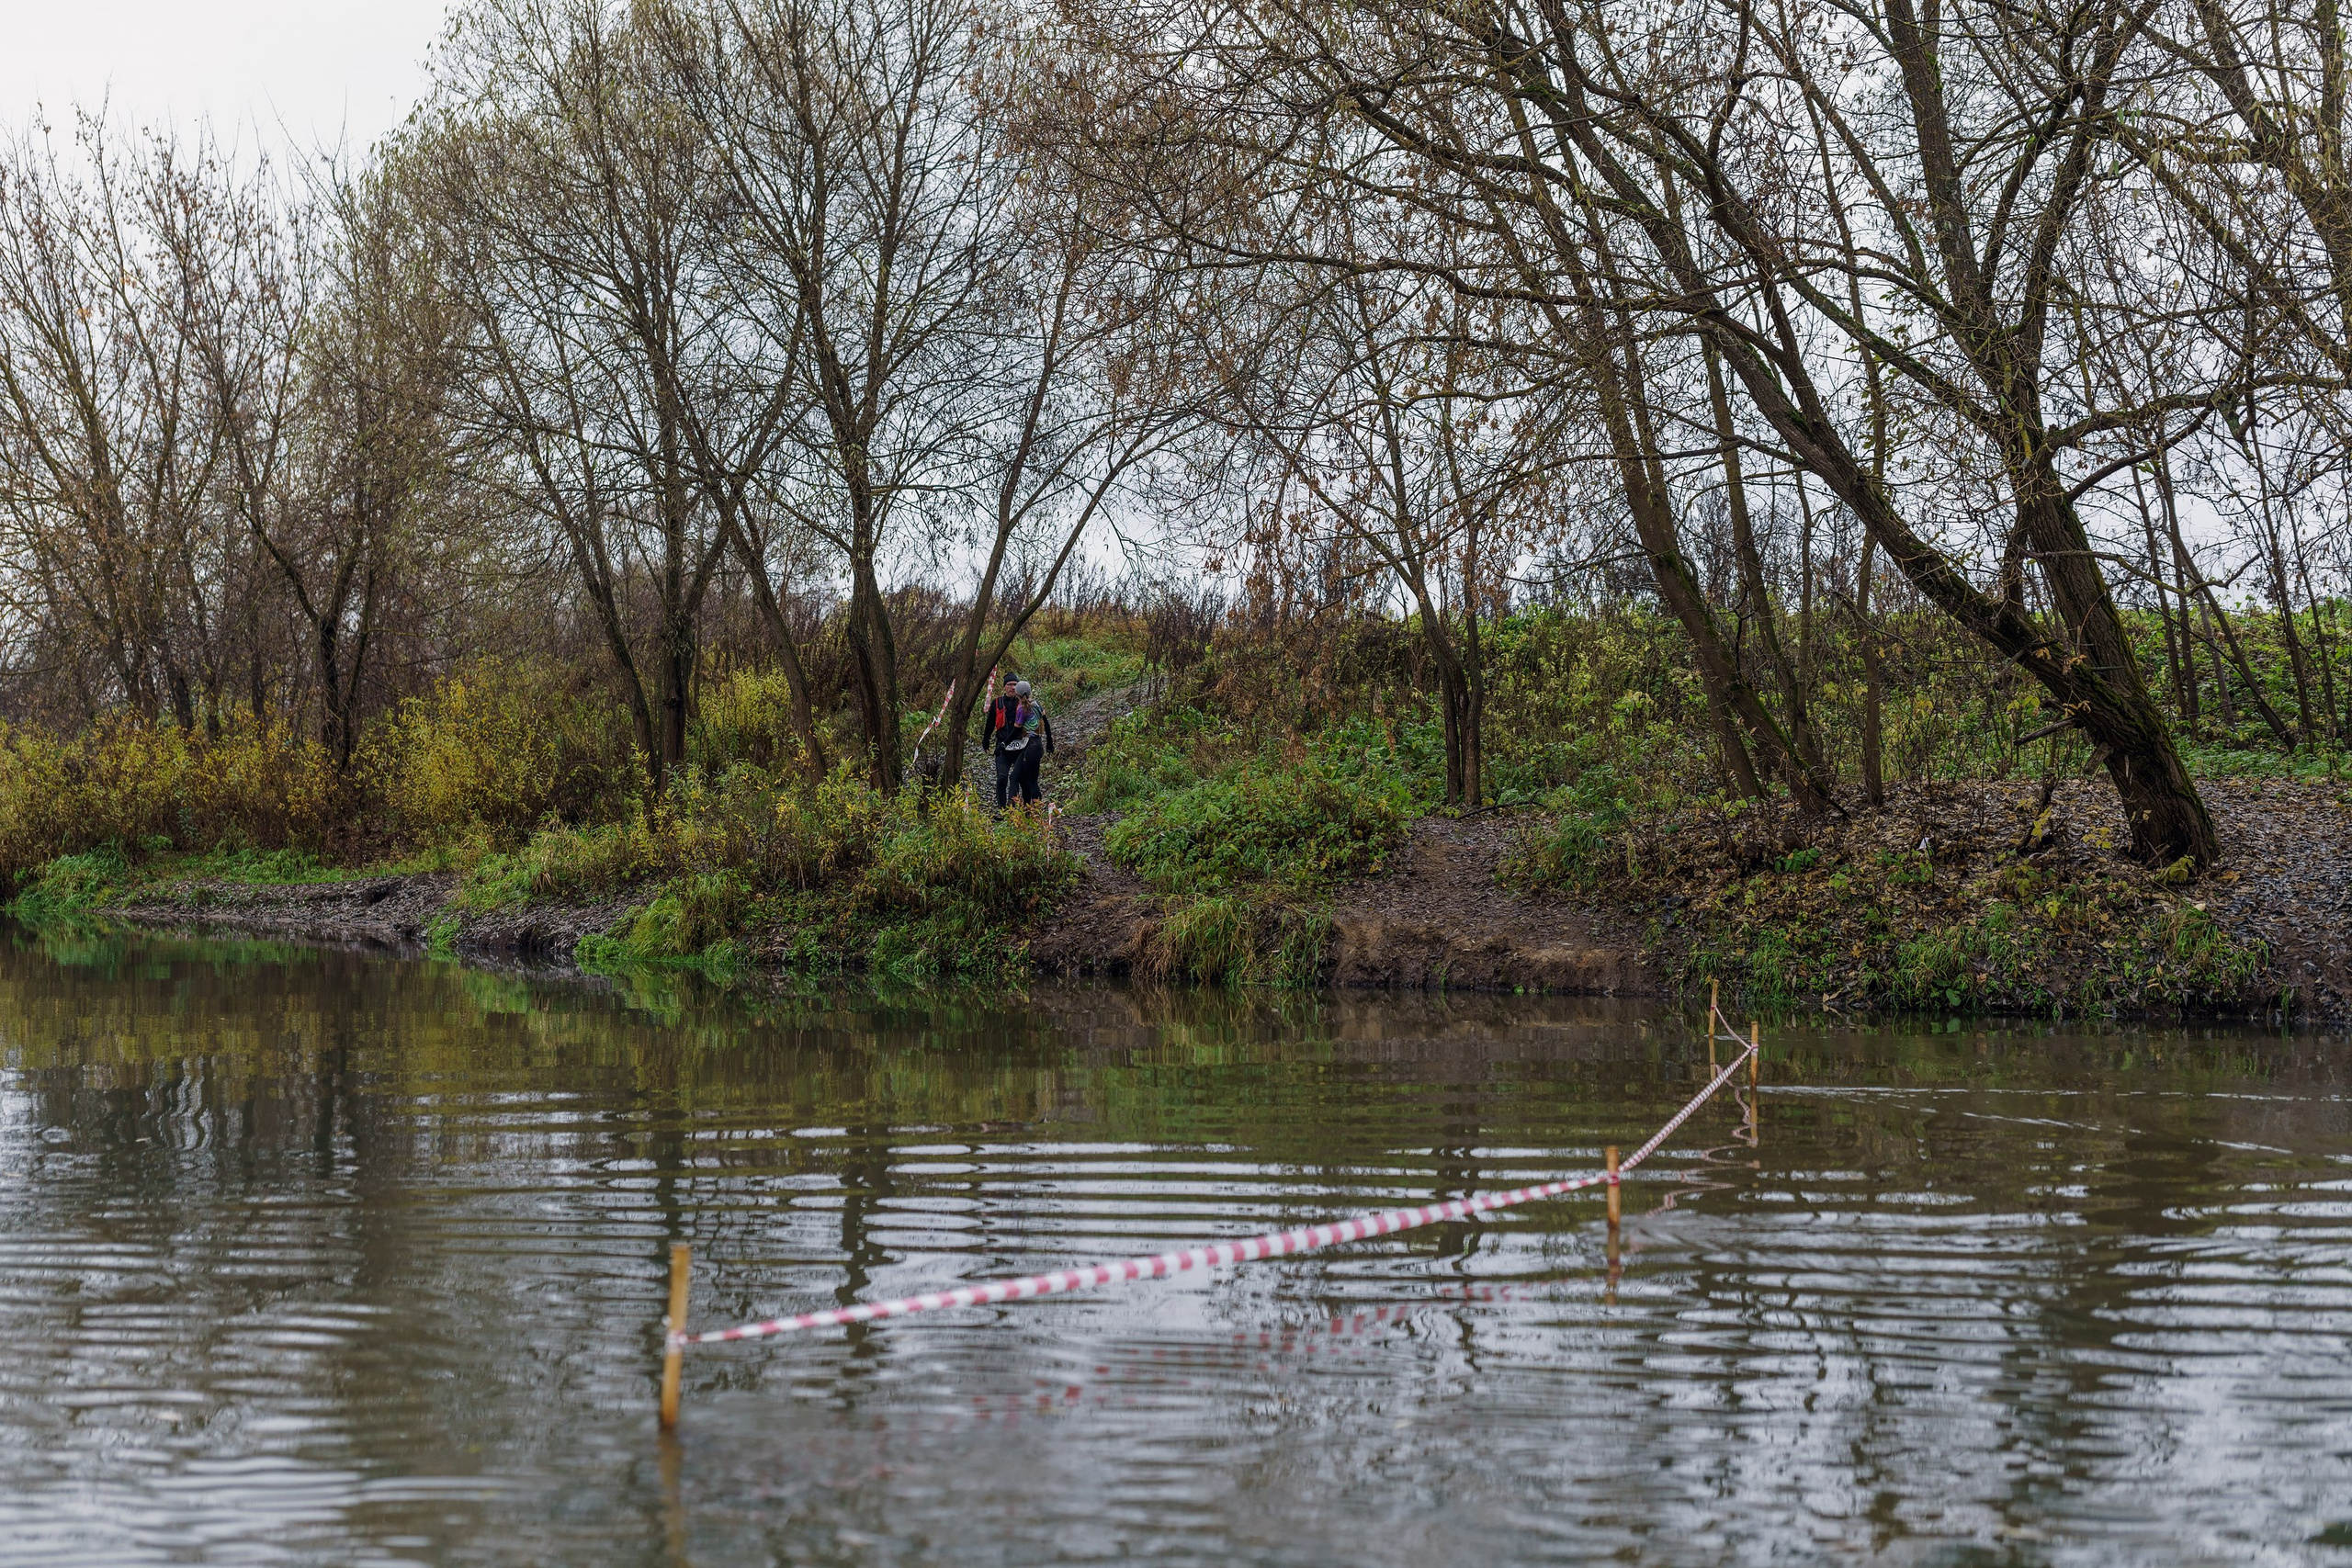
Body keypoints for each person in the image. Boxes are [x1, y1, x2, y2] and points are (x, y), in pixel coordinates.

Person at [984, 674, 1029, 809]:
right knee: (1001, 779)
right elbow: (990, 723)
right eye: (1009, 684)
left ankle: (1019, 807)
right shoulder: (997, 703)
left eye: (1015, 684)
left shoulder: (1023, 703)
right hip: (1002, 748)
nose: (1012, 687)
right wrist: (985, 740)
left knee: (1019, 779)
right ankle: (1002, 809)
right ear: (1004, 687)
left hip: (1020, 747)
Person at [1012, 679, 1054, 804]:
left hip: (1032, 747)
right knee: (1017, 776)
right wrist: (1049, 742)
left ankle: (1036, 810)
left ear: (1016, 694)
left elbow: (1015, 730)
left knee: (1031, 780)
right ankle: (1027, 809)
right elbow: (1046, 723)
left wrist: (1004, 744)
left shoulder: (1022, 709)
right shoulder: (1037, 704)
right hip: (1034, 745)